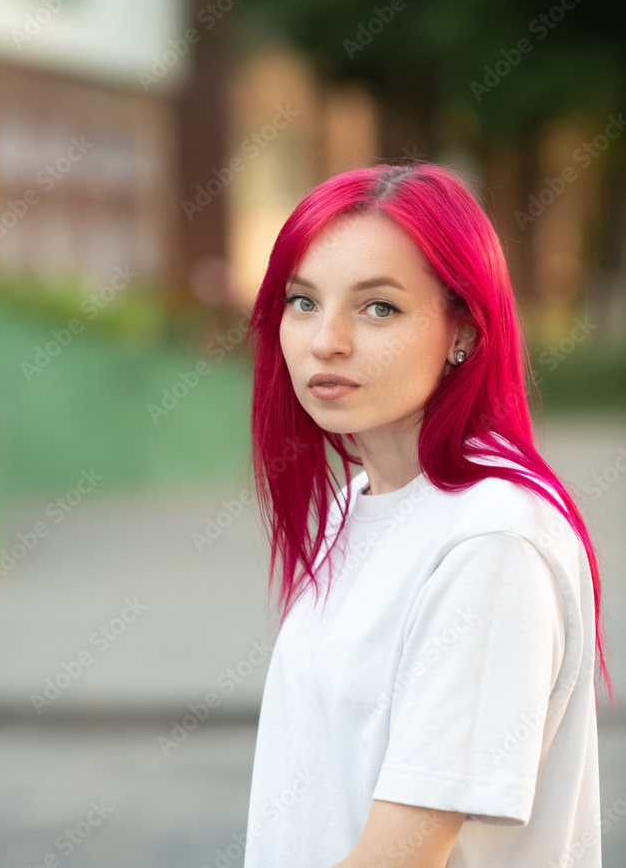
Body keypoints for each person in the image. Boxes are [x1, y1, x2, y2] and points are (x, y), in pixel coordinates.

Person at [239, 161, 613, 868]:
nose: (326, 341)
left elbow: (400, 856)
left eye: (378, 307)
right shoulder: (361, 503)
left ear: (462, 332)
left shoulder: (490, 542)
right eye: (302, 301)